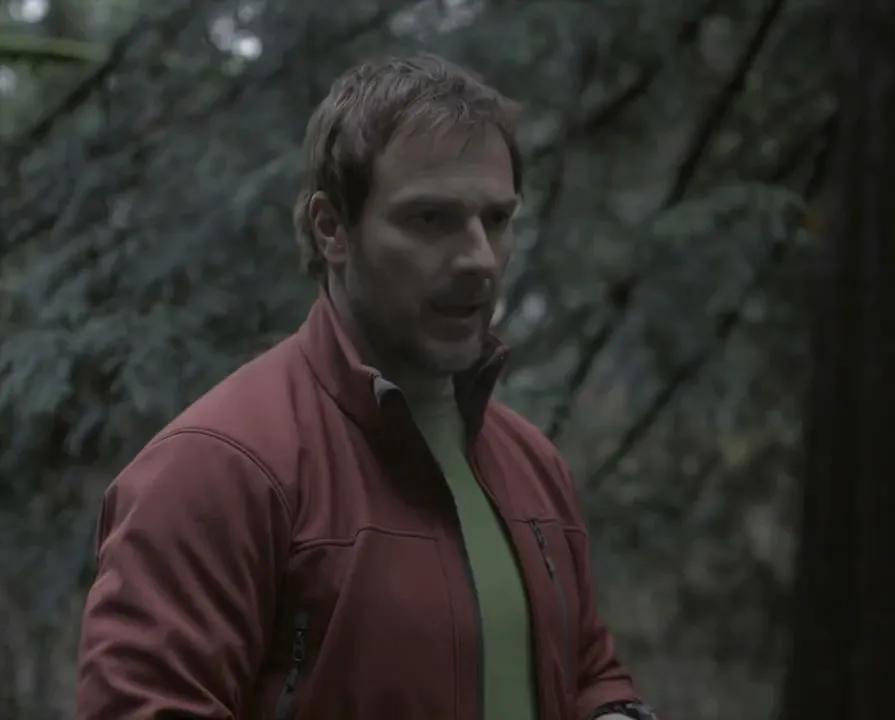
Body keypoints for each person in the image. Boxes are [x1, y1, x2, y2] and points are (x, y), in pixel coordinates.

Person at [75, 55, 656, 720]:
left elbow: (587, 671)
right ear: (332, 228)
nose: (478, 258)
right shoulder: (218, 469)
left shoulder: (533, 466)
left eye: (496, 220)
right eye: (430, 219)